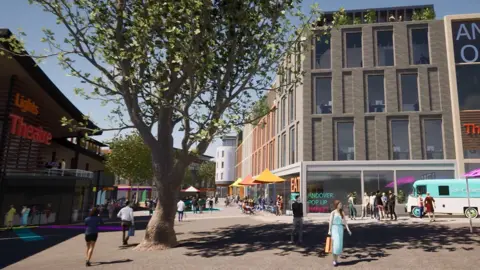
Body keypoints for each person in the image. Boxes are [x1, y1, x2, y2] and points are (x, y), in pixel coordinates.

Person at [328, 200, 352, 267]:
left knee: (339, 245)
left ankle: (336, 259)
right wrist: (329, 230)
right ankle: (334, 260)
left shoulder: (342, 213)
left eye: (341, 204)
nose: (341, 205)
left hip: (340, 229)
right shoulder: (333, 212)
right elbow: (330, 222)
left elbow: (345, 222)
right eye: (340, 204)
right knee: (336, 244)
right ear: (336, 205)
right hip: (334, 228)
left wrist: (348, 230)